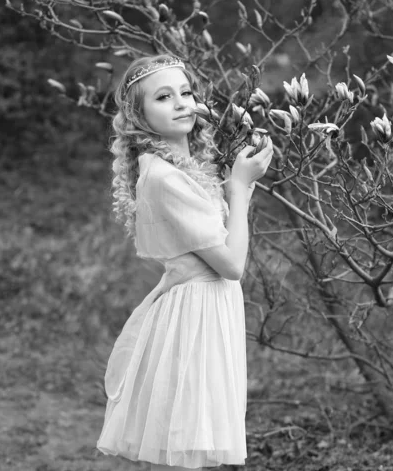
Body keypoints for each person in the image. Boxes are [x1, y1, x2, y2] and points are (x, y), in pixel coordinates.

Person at [96, 53, 273, 470]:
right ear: (139, 116)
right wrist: (240, 190)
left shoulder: (186, 169)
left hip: (209, 308)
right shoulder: (164, 178)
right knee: (189, 442)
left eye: (186, 92)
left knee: (198, 445)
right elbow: (231, 265)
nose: (181, 103)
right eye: (163, 96)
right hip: (195, 315)